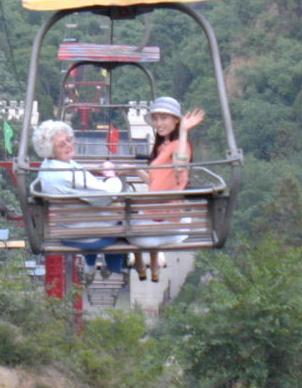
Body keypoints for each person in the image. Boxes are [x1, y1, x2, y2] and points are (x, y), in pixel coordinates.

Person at [31, 119, 127, 283]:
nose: (68, 145)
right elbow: (107, 194)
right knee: (124, 215)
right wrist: (111, 175)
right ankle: (114, 266)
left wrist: (93, 169)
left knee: (100, 211)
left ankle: (92, 265)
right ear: (51, 150)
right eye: (62, 145)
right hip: (89, 236)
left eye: (68, 140)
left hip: (67, 231)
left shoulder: (49, 166)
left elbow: (76, 175)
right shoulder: (68, 175)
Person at [128, 96, 205, 282]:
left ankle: (140, 261)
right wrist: (135, 171)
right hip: (164, 217)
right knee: (141, 212)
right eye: (156, 119)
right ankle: (152, 266)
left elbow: (180, 166)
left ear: (176, 120)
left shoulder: (180, 146)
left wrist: (184, 132)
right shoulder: (164, 146)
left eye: (164, 118)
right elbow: (158, 183)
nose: (159, 123)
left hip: (164, 222)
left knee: (122, 223)